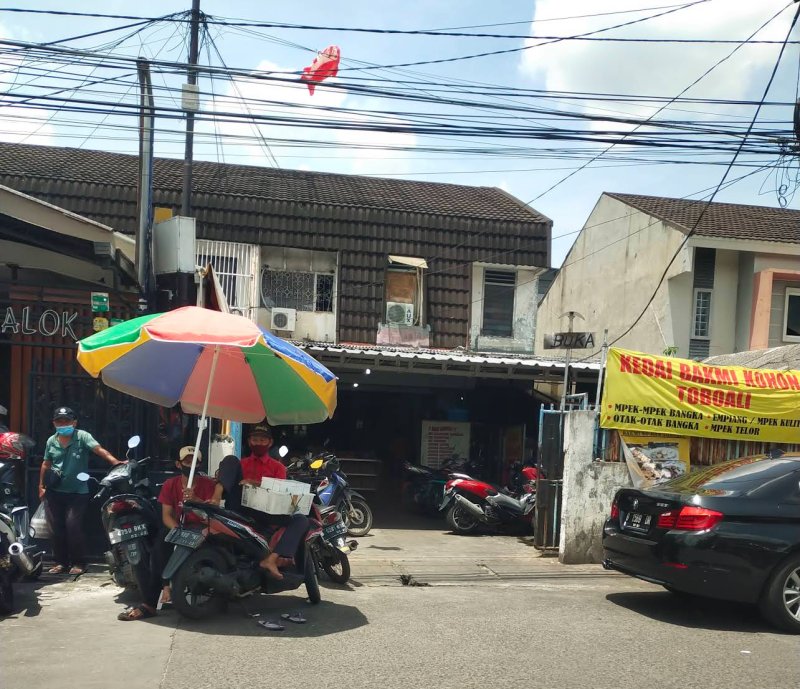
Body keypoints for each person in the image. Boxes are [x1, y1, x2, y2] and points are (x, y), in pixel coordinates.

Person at [118, 446, 217, 621]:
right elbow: (166, 515)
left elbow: (214, 513)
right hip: (176, 526)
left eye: (194, 461)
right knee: (158, 551)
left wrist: (197, 501)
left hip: (201, 526)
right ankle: (150, 603)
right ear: (179, 464)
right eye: (187, 461)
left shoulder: (209, 485)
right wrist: (178, 532)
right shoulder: (171, 484)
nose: (191, 465)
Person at [215, 424, 309, 580]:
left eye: (262, 440)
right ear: (249, 441)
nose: (258, 443)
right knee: (230, 459)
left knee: (301, 520)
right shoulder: (241, 463)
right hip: (239, 508)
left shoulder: (278, 467)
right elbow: (228, 479)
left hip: (265, 513)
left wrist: (255, 483)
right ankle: (215, 498)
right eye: (255, 439)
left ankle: (271, 559)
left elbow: (281, 491)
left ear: (270, 443)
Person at [40, 406, 124, 576]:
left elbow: (99, 450)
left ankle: (79, 562)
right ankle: (60, 562)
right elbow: (46, 464)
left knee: (73, 526)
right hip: (55, 491)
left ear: (74, 422)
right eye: (59, 421)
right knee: (56, 528)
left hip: (78, 492)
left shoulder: (82, 436)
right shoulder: (51, 441)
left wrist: (116, 463)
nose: (63, 424)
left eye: (66, 421)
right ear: (54, 423)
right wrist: (41, 486)